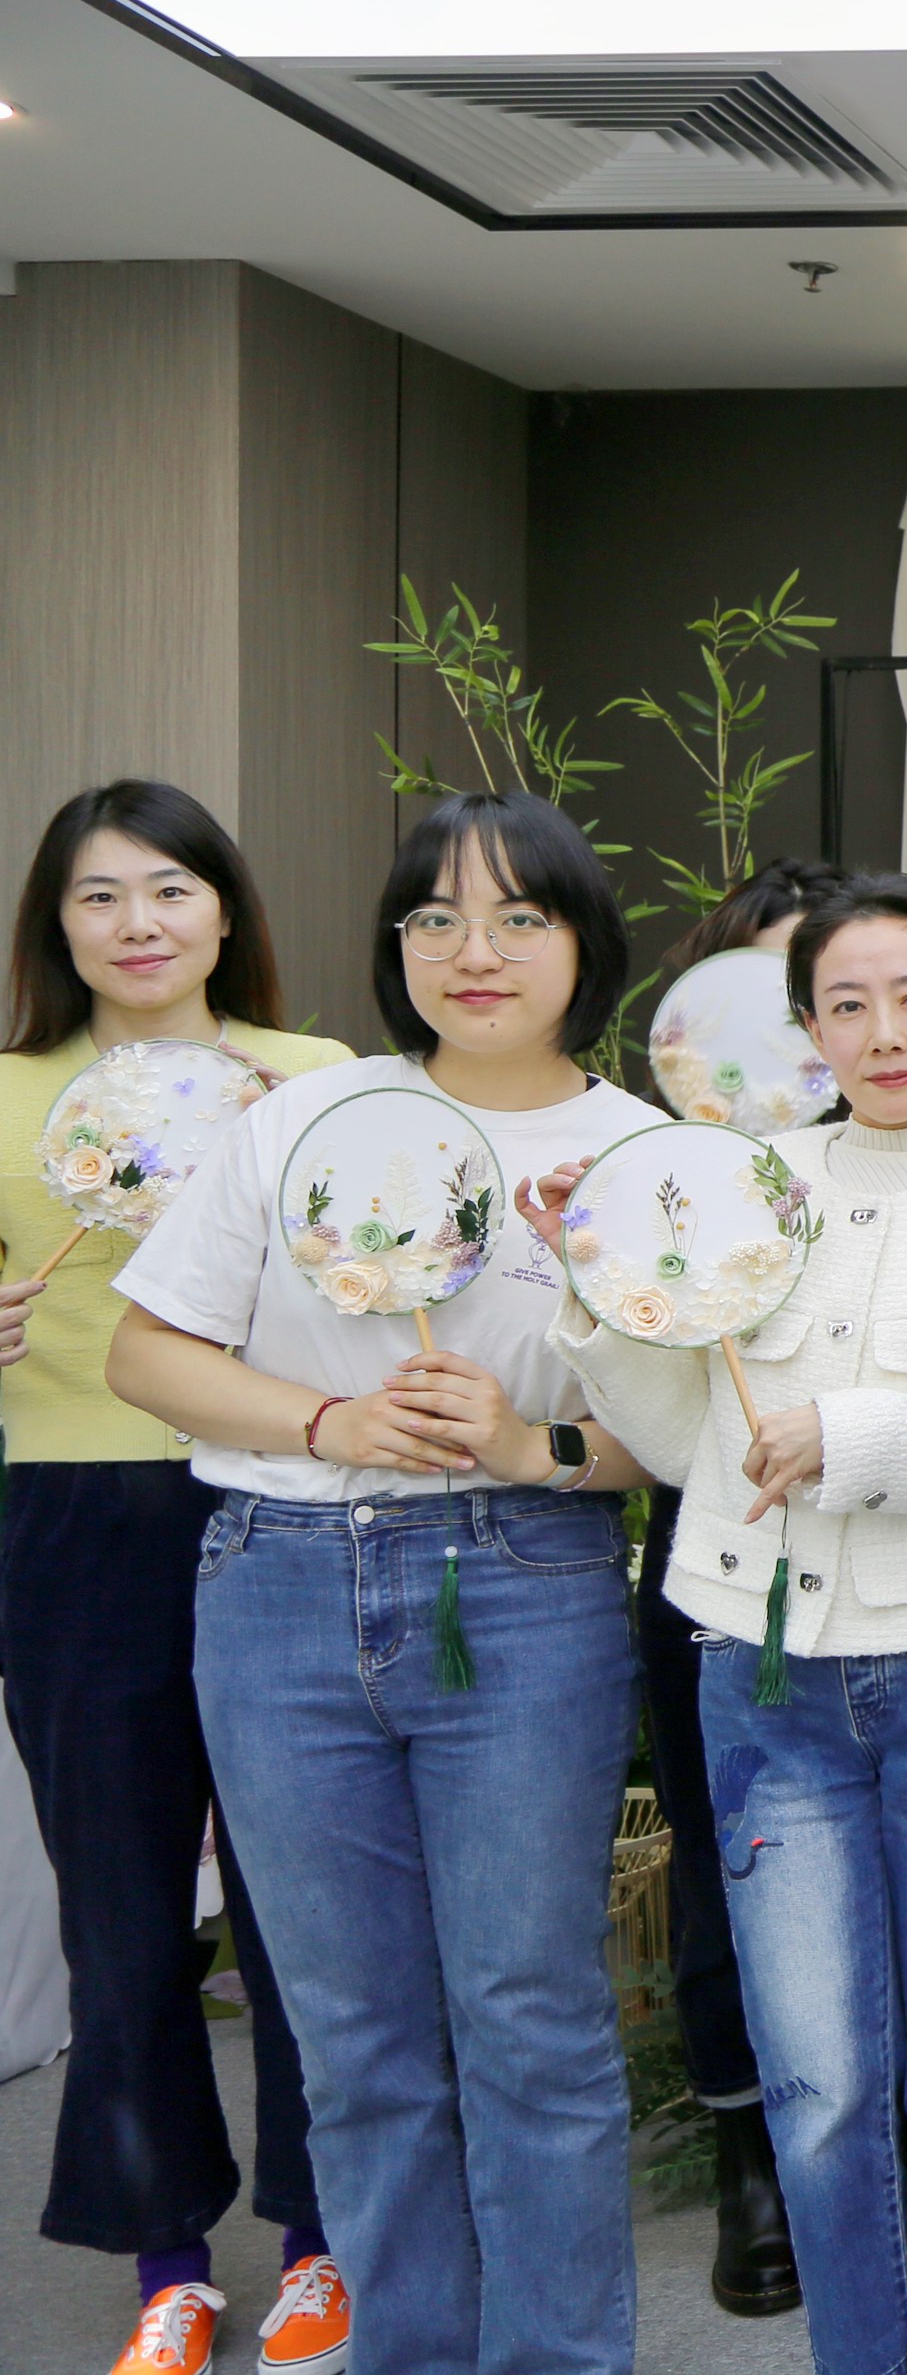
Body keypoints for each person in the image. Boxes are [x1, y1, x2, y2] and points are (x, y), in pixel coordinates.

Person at [106, 792, 659, 2375]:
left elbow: (689, 1431)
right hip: (278, 1580)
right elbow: (147, 1351)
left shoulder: (642, 1156)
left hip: (523, 1585)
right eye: (435, 917)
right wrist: (329, 1419)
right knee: (352, 2038)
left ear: (582, 941)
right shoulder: (306, 1118)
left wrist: (534, 1440)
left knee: (531, 2019)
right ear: (394, 942)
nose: (473, 950)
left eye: (518, 917)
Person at [539, 873, 907, 2375]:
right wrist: (600, 1291)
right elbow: (688, 1440)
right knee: (819, 2088)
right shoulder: (744, 1188)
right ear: (808, 1030)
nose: (884, 1032)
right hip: (765, 1670)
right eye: (846, 1005)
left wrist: (854, 1436)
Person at [0, 784, 353, 2375]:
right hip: (73, 1517)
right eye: (99, 895)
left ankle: (321, 2236)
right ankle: (168, 2259)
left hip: (278, 1497)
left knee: (304, 1898)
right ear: (56, 923)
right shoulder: (8, 1092)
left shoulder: (314, 1078)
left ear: (223, 909)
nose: (137, 922)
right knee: (124, 1912)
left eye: (168, 889)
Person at [632, 853, 845, 2319]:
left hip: (897, 1548)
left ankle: (873, 2146)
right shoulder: (656, 1172)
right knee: (730, 1850)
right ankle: (750, 2159)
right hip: (715, 1554)